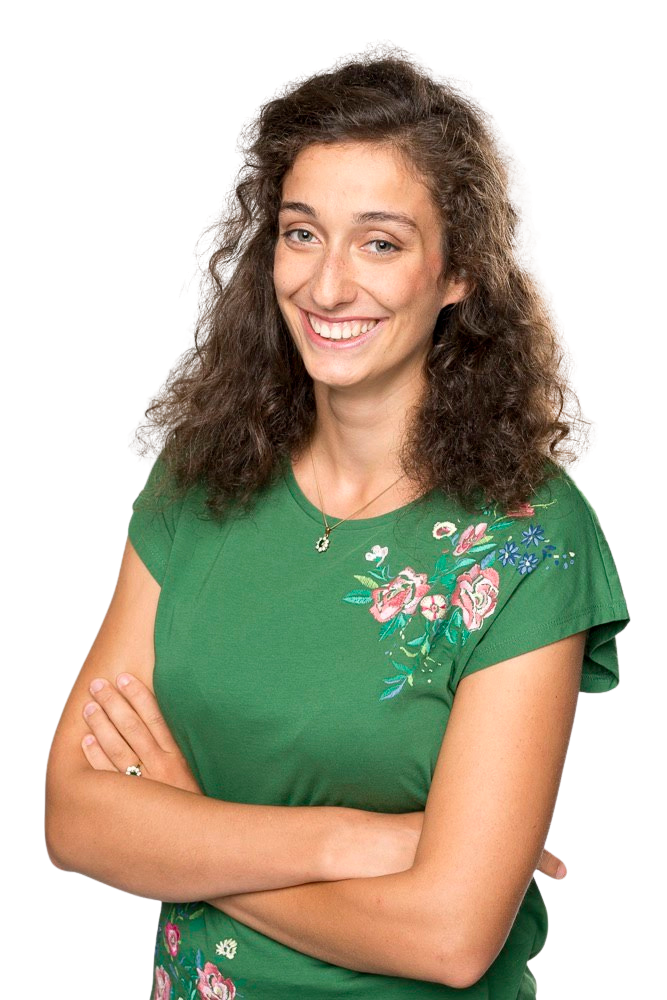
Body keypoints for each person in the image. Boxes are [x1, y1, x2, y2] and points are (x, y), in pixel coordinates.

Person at [45, 49, 630, 999]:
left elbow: (447, 939)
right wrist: (351, 841)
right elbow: (76, 820)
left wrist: (187, 832)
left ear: (457, 272)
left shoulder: (527, 538)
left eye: (380, 243)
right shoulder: (200, 480)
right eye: (301, 233)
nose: (326, 287)